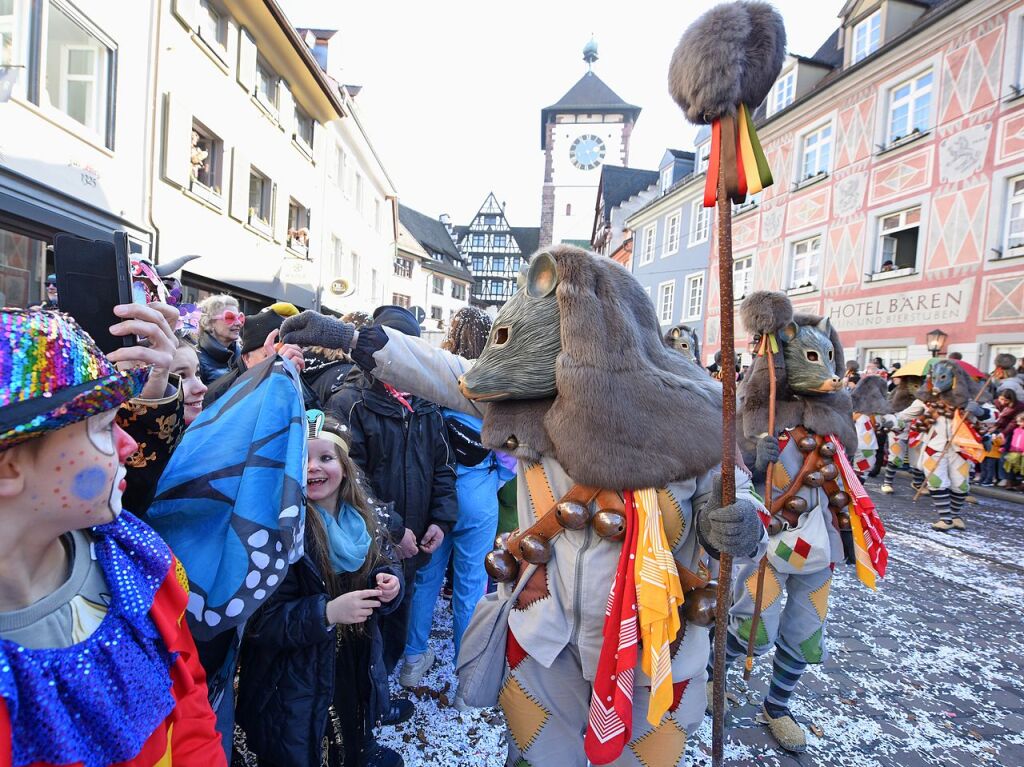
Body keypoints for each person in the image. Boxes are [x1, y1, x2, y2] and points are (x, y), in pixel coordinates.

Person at [282, 246, 767, 766]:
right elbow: (449, 372)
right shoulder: (530, 403)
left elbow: (741, 506)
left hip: (657, 653)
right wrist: (354, 339)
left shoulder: (696, 415)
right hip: (547, 640)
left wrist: (741, 529)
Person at [0, 306, 225, 765]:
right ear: (8, 467)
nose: (129, 444)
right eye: (105, 427)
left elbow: (190, 705)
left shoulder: (137, 560)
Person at [725, 292, 887, 753]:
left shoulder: (833, 428)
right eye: (817, 359)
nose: (831, 371)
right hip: (772, 547)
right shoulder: (762, 420)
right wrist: (756, 460)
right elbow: (736, 482)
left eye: (831, 358)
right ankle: (713, 679)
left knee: (805, 629)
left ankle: (777, 707)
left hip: (821, 550)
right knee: (751, 626)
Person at [235, 412, 404, 767]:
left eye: (326, 458)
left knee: (352, 713)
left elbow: (385, 562)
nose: (314, 468)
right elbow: (259, 622)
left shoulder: (360, 518)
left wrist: (390, 584)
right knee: (310, 742)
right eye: (303, 459)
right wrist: (326, 612)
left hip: (353, 657)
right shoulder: (280, 533)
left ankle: (359, 751)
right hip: (296, 675)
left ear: (345, 467)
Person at [326, 306, 457, 683]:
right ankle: (361, 717)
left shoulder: (426, 402)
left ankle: (376, 702)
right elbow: (351, 482)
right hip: (368, 543)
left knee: (397, 626)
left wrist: (441, 519)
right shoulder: (349, 402)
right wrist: (394, 531)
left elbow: (442, 466)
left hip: (413, 540)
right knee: (365, 632)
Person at [400, 308, 515, 692]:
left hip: (436, 496)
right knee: (471, 585)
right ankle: (468, 680)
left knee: (427, 579)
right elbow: (510, 456)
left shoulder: (435, 383)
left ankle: (413, 660)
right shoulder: (495, 387)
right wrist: (489, 481)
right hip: (479, 492)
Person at [203, 302, 305, 406]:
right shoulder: (221, 395)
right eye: (266, 355)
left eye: (282, 356)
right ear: (247, 358)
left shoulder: (296, 379)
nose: (279, 363)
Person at [196, 294, 243, 384]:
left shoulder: (241, 355)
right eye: (230, 317)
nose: (238, 323)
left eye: (239, 318)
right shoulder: (197, 357)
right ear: (209, 322)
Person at [1002, 412, 1024, 490]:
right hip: (1013, 452)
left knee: (1022, 469)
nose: (1018, 423)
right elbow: (1010, 440)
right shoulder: (1016, 430)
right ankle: (1010, 482)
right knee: (1010, 467)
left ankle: (1022, 484)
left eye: (1020, 422)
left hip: (1022, 453)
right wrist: (1005, 448)